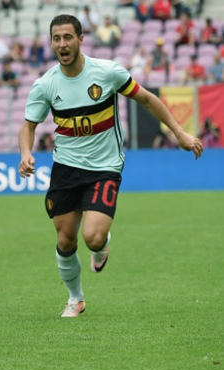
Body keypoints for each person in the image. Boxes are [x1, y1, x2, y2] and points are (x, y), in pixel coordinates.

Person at [18, 14, 203, 318]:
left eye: (67, 37)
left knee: (92, 237)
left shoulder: (107, 73)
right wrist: (25, 153)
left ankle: (101, 244)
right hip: (65, 168)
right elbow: (28, 127)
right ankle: (76, 299)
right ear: (51, 42)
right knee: (65, 239)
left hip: (105, 167)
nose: (62, 44)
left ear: (80, 39)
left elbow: (146, 99)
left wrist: (179, 132)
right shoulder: (45, 85)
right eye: (56, 38)